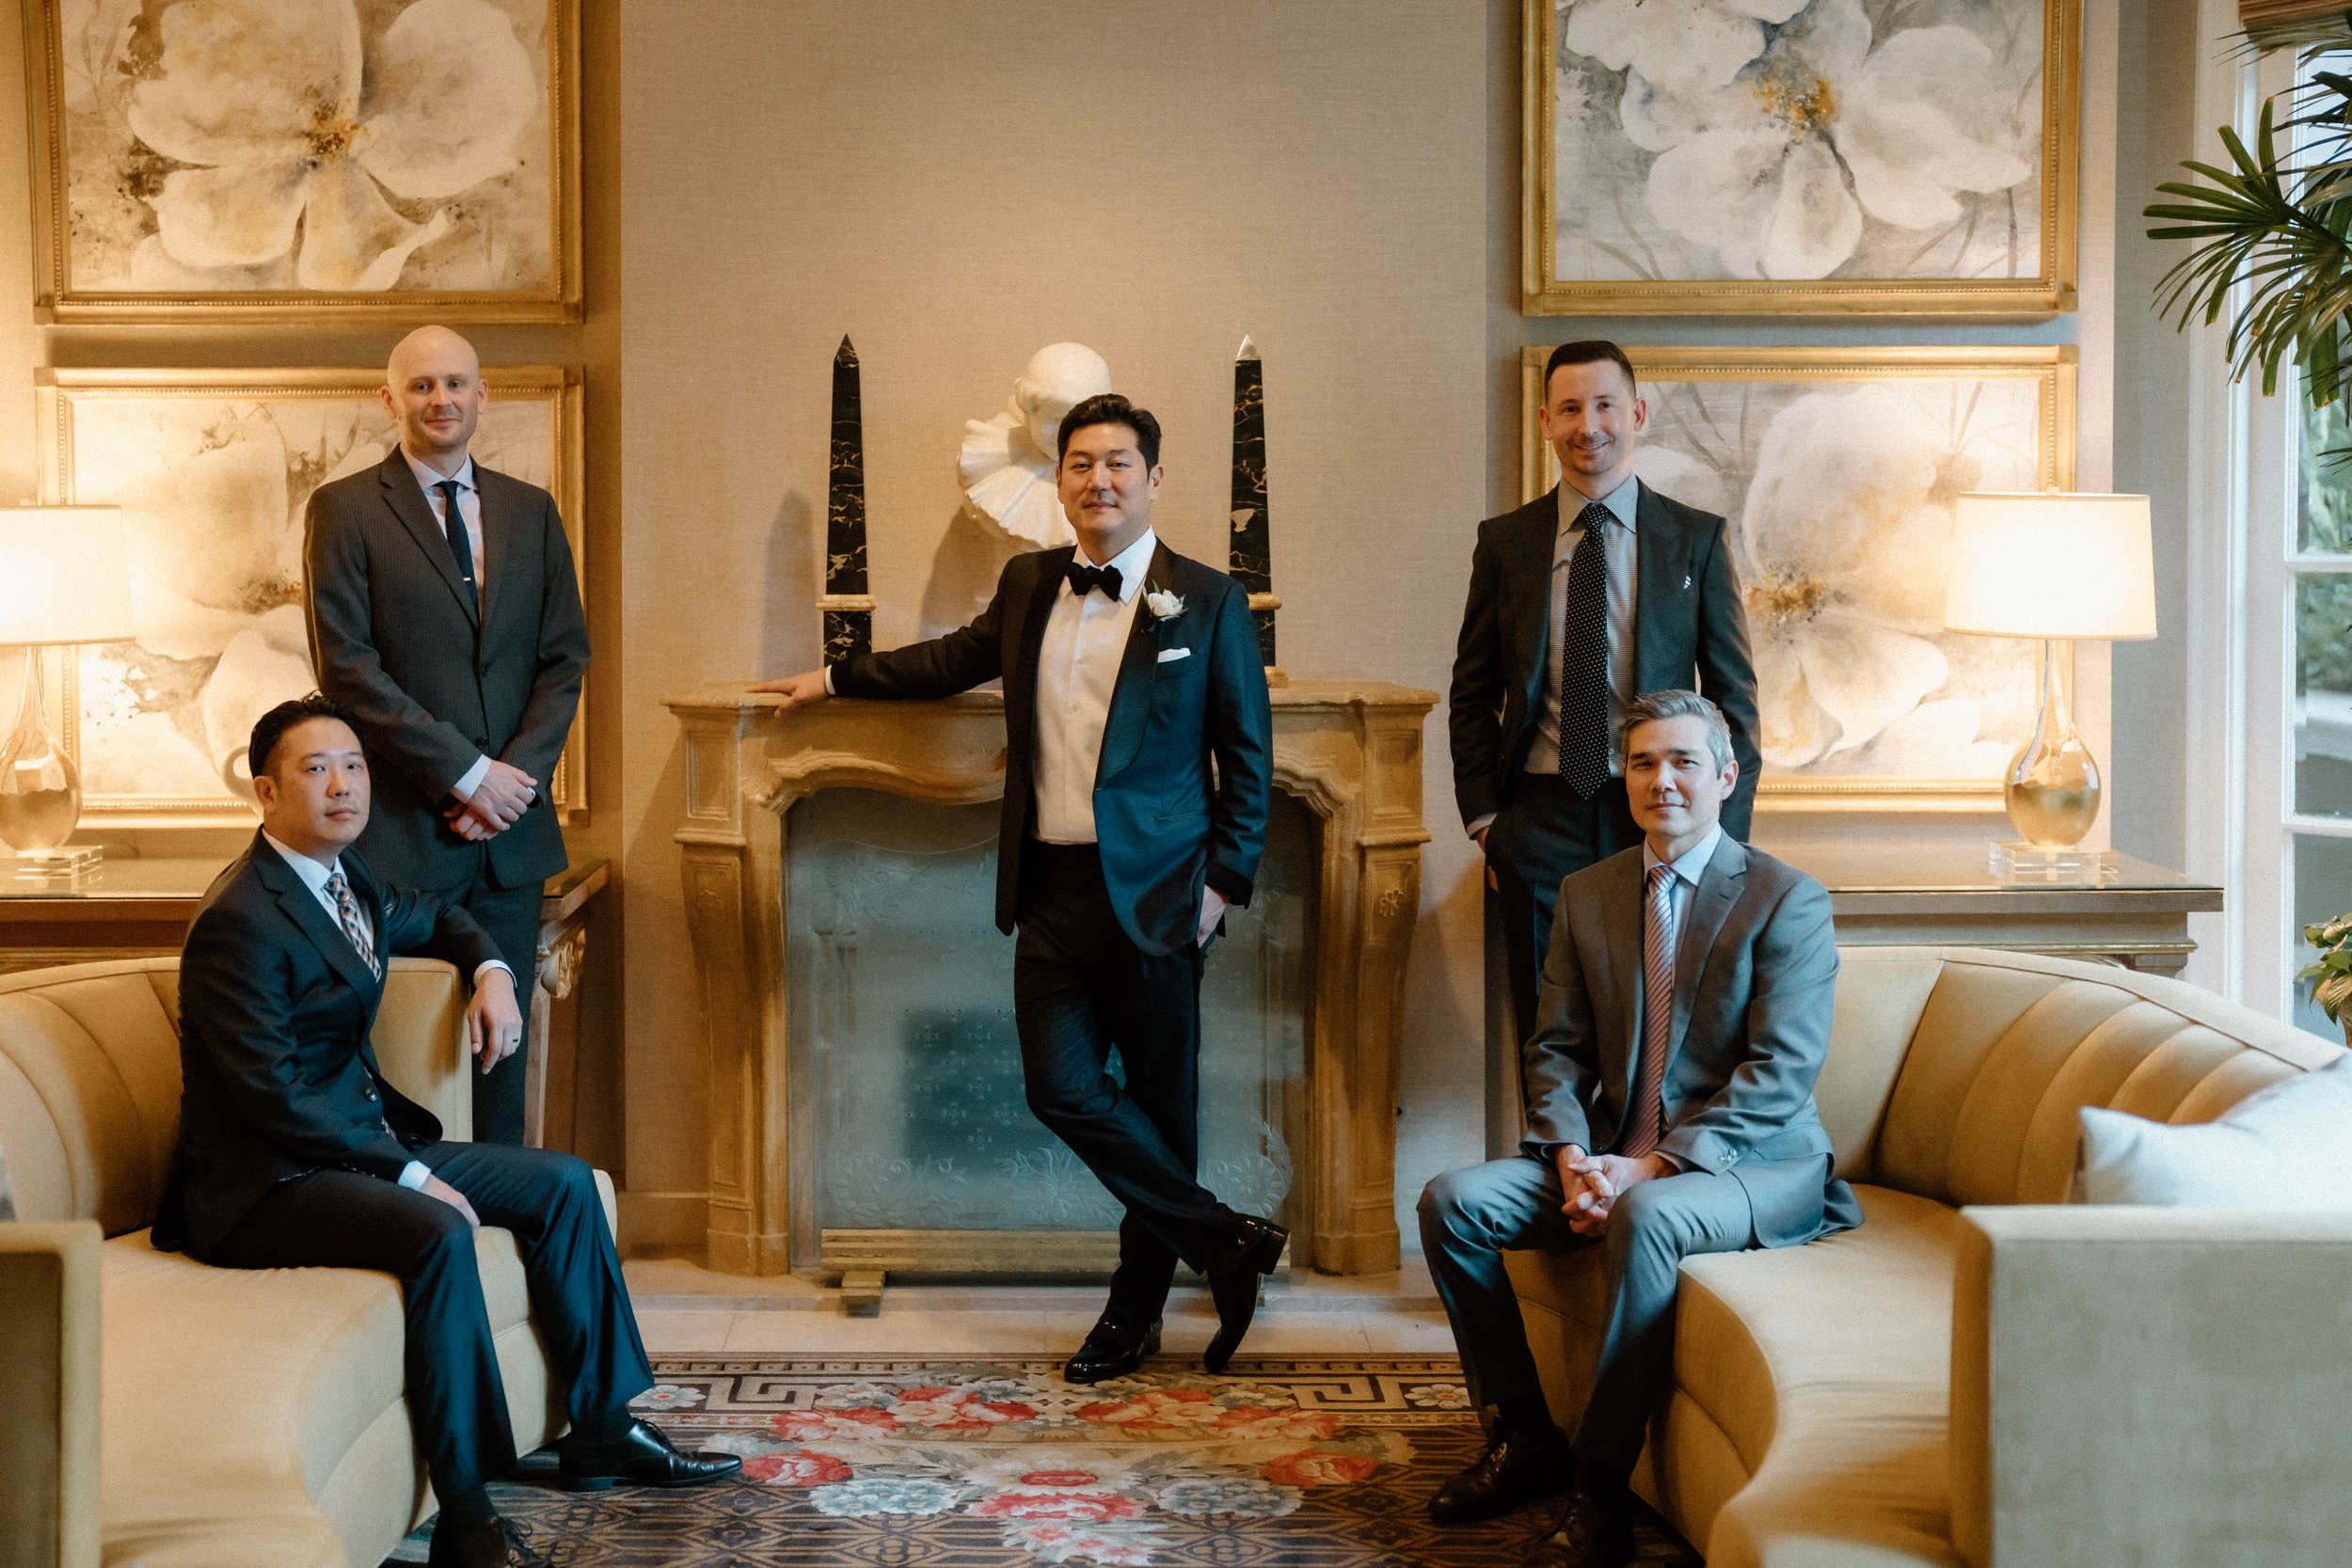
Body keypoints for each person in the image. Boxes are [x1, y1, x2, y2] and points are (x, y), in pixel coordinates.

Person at [751, 391, 1284, 1384]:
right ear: (1060, 478)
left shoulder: (1206, 602)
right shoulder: (1030, 579)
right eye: (1081, 463)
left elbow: (1245, 760)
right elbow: (952, 659)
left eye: (1119, 463)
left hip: (1163, 895)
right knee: (1061, 1086)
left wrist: (1222, 887)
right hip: (1049, 886)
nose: (1099, 480)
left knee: (1162, 1114)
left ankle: (1131, 1318)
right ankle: (1225, 1238)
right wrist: (831, 679)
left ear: (1154, 478)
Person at [153, 696, 738, 1568]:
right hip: (265, 1183)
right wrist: (411, 1176)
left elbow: (438, 914)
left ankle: (603, 1431)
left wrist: (494, 970)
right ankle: (466, 1516)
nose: (344, 785)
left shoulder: (347, 879)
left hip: (358, 1144)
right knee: (435, 1231)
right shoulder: (242, 917)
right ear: (266, 792)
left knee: (567, 1183)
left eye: (353, 765)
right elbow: (273, 1097)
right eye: (317, 770)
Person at [1417, 689, 1859, 1568]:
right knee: (1451, 1201)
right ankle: (1524, 1433)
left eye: (1685, 761)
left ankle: (1598, 1487)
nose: (1663, 780)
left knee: (1648, 1216)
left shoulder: (1787, 900)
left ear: (1727, 776)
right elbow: (1555, 1047)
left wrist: (1649, 1169)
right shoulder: (1587, 895)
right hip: (1615, 1154)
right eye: (1645, 762)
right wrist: (1574, 1153)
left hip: (1753, 1165)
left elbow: (1779, 1076)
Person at [304, 325, 591, 1145]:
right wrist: (465, 775)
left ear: (483, 395)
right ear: (390, 400)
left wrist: (510, 783)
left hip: (509, 841)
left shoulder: (531, 511)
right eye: (423, 386)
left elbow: (566, 658)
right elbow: (349, 669)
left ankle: (503, 1246)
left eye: (457, 384)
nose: (442, 400)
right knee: (404, 1060)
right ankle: (418, 1235)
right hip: (401, 838)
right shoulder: (347, 509)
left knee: (500, 1055)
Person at [1451, 341, 1762, 1048]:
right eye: (1570, 408)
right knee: (1546, 1027)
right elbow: (1472, 692)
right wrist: (1487, 824)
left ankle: (1640, 1161)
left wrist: (1721, 838)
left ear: (1637, 414)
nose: (1588, 425)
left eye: (1604, 406)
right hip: (1538, 819)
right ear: (1545, 422)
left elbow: (1735, 704)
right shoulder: (1506, 542)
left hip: (1660, 812)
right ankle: (1556, 1158)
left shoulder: (1696, 540)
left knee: (1656, 1023)